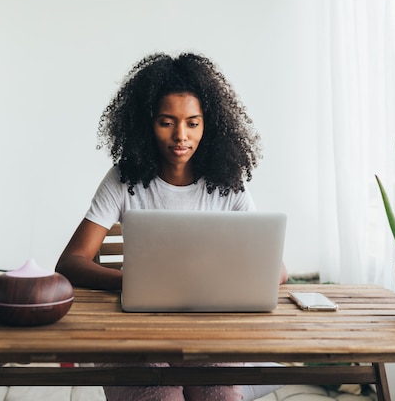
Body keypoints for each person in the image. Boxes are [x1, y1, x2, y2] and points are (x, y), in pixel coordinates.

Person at [56, 52, 288, 401]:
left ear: (209, 125)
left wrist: (225, 286)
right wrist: (136, 285)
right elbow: (71, 262)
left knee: (220, 397)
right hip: (136, 337)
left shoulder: (227, 183)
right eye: (167, 122)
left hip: (210, 336)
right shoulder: (124, 179)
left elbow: (277, 269)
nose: (181, 135)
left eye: (193, 123)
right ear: (146, 123)